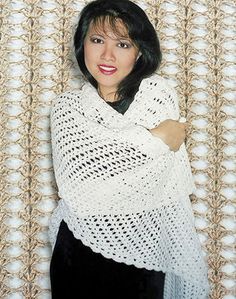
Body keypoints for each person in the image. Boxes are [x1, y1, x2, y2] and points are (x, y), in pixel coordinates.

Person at [49, 0, 209, 298]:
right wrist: (155, 139)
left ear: (139, 52)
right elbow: (77, 188)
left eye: (122, 44)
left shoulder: (158, 97)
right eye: (97, 40)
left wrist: (113, 154)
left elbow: (155, 176)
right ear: (82, 45)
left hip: (145, 253)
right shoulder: (67, 108)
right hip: (78, 252)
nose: (107, 55)